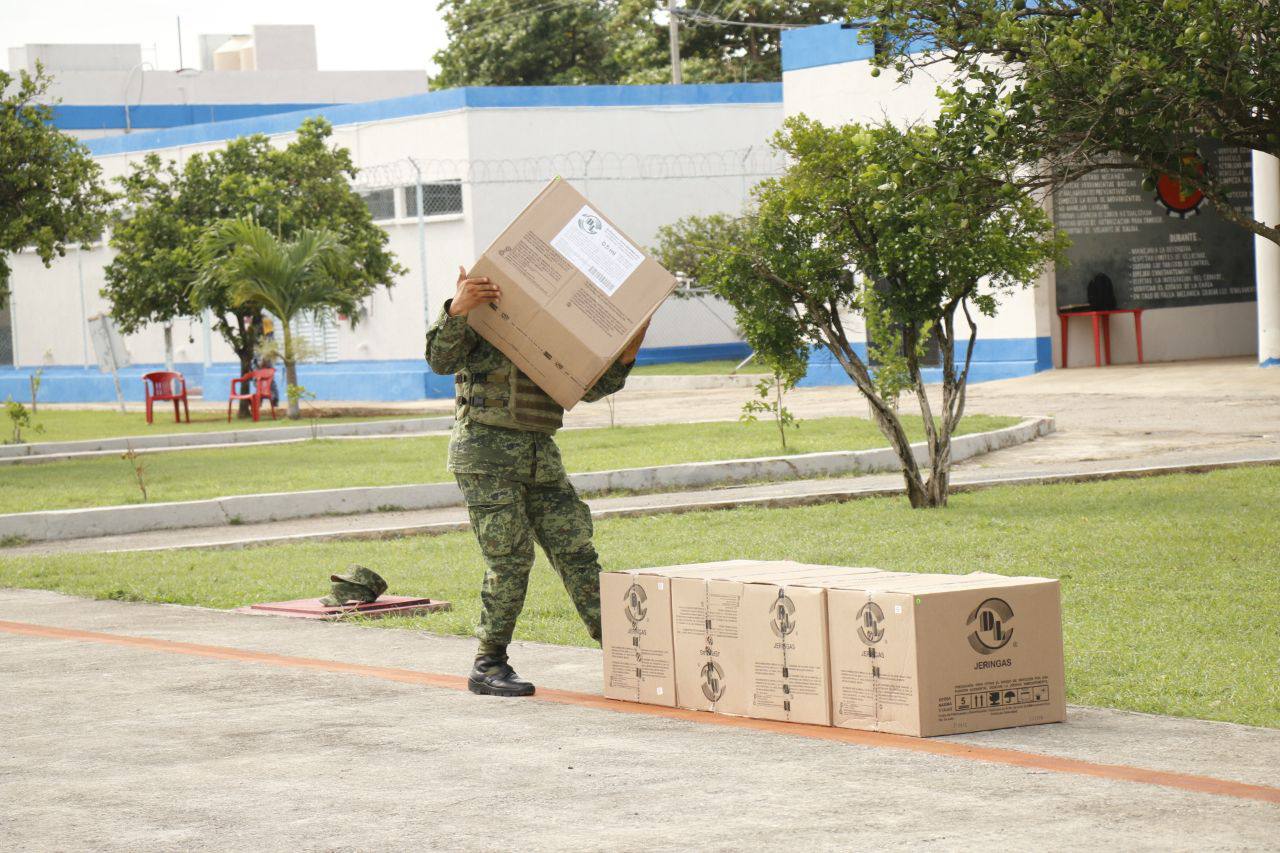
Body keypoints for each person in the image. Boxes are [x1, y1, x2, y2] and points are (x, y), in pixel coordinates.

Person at [425, 265, 649, 697]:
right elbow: (440, 359)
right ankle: (488, 663)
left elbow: (590, 387)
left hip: (540, 457)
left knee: (576, 552)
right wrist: (457, 309)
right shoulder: (484, 314)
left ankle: (625, 651)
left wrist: (631, 341)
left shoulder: (555, 330)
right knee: (510, 560)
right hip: (485, 457)